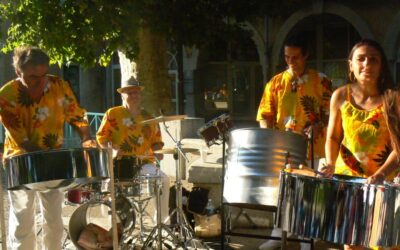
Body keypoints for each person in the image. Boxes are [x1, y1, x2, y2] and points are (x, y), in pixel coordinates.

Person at [0, 46, 97, 250]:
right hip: (21, 158)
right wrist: (43, 159)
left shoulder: (58, 85)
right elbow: (21, 138)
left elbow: (76, 115)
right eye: (34, 76)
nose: (41, 80)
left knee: (54, 221)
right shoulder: (6, 94)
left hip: (52, 159)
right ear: (19, 73)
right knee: (22, 221)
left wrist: (87, 137)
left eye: (44, 74)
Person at [320, 39, 400, 250]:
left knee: (383, 244)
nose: (367, 64)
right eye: (361, 59)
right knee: (352, 244)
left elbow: (399, 146)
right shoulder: (340, 96)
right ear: (351, 65)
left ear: (381, 65)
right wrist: (329, 163)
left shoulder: (393, 99)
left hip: (382, 185)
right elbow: (333, 138)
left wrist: (382, 174)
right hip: (349, 184)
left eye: (373, 59)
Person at [256, 34, 332, 250]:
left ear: (306, 55)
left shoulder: (322, 80)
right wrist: (268, 138)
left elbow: (330, 114)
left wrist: (316, 126)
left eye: (296, 57)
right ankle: (277, 234)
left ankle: (307, 238)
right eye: (287, 57)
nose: (291, 61)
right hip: (284, 147)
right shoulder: (276, 82)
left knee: (310, 194)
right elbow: (264, 114)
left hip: (313, 146)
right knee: (283, 192)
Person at [96, 76, 170, 224]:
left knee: (163, 179)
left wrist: (157, 151)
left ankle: (161, 223)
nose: (134, 96)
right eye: (130, 93)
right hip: (119, 163)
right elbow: (101, 138)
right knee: (109, 187)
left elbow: (156, 141)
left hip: (143, 163)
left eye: (136, 92)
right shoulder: (112, 114)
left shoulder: (149, 117)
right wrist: (113, 150)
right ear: (122, 95)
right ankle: (114, 226)